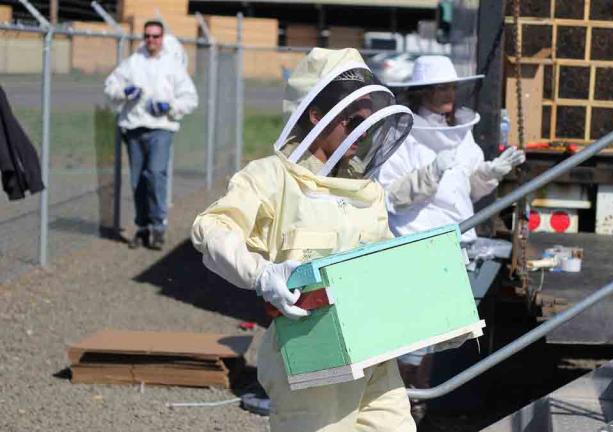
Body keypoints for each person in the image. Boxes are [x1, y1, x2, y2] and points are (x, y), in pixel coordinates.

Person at [191, 48, 415, 431]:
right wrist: (262, 274)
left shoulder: (365, 190)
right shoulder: (270, 179)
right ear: (318, 116)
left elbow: (384, 262)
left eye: (368, 120)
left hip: (375, 352)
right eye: (354, 121)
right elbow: (210, 229)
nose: (362, 133)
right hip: (311, 356)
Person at [375, 55, 526, 423]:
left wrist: (491, 173)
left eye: (452, 86)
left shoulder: (461, 131)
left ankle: (418, 406)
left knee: (438, 333)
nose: (448, 94)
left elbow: (466, 190)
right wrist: (430, 173)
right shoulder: (403, 136)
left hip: (457, 238)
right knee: (412, 335)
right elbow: (390, 195)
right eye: (441, 87)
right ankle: (398, 407)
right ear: (422, 91)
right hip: (416, 240)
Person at [104, 20, 198, 250]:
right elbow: (110, 86)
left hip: (161, 129)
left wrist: (170, 107)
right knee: (138, 180)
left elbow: (190, 98)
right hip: (135, 127)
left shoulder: (172, 66)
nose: (151, 40)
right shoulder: (133, 63)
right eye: (147, 36)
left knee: (155, 174)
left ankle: (158, 225)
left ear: (162, 38)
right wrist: (124, 92)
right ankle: (143, 226)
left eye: (156, 36)